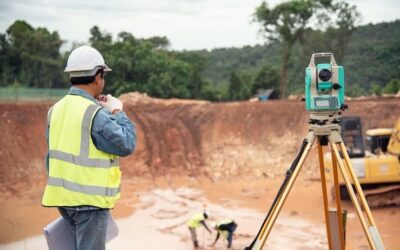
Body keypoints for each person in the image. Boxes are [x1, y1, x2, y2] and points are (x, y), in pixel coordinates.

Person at [41, 45, 136, 250]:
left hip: (65, 201)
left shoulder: (55, 110)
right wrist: (117, 110)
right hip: (89, 203)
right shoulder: (95, 113)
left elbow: (52, 156)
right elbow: (127, 143)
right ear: (97, 76)